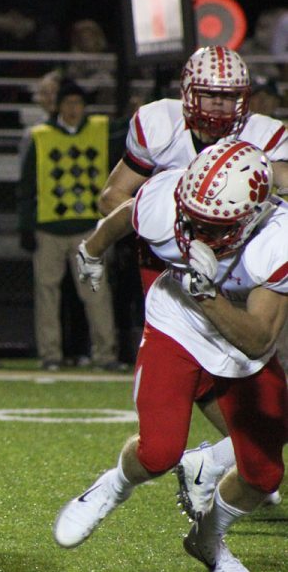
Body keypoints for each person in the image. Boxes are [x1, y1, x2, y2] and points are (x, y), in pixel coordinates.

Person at [57, 140, 287, 572]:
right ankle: (113, 486)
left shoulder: (277, 239)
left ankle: (207, 538)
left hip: (238, 347)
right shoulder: (167, 199)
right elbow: (126, 215)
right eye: (191, 217)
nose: (195, 232)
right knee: (158, 453)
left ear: (251, 219)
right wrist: (92, 248)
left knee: (264, 475)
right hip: (176, 324)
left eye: (212, 226)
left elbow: (257, 339)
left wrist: (208, 294)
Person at [97, 45, 288, 517]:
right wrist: (167, 225)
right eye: (209, 95)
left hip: (243, 263)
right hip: (172, 263)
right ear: (187, 92)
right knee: (206, 365)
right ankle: (222, 463)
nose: (220, 107)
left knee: (254, 375)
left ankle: (214, 463)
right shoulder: (158, 126)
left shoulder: (268, 137)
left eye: (229, 97)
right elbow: (114, 196)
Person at [17, 79, 121, 372]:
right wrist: (27, 225)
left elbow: (135, 126)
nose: (73, 109)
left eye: (78, 103)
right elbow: (26, 186)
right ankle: (50, 354)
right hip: (49, 227)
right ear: (58, 106)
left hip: (89, 228)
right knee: (47, 294)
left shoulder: (100, 129)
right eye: (68, 103)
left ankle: (105, 354)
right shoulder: (40, 136)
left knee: (96, 292)